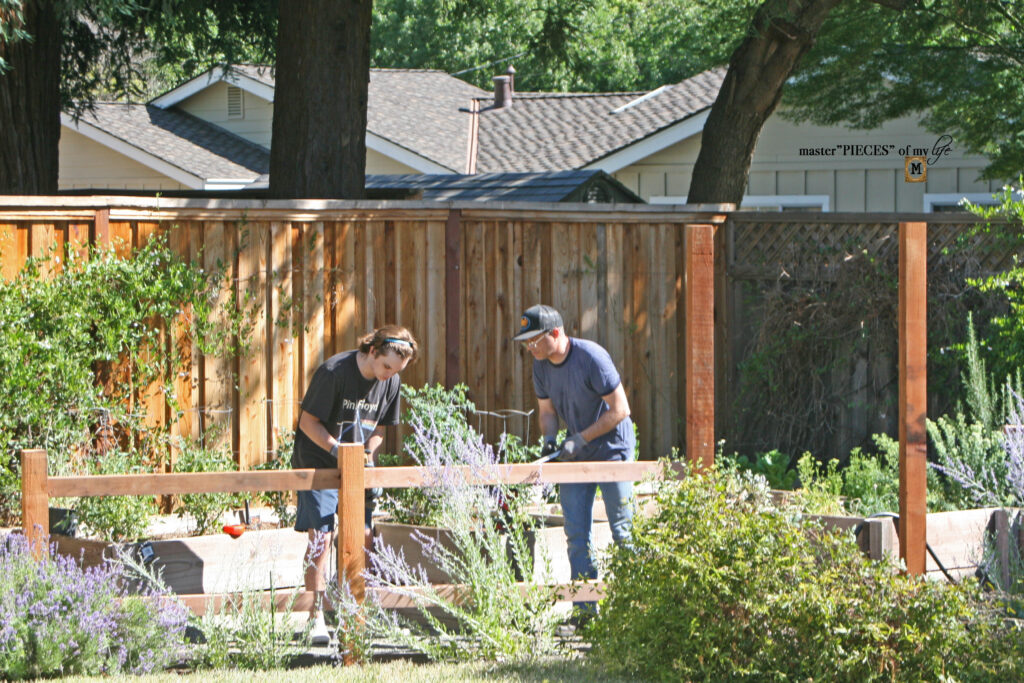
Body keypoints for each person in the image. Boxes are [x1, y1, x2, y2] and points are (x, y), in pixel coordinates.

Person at [291, 324, 418, 646]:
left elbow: (379, 429)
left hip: (358, 468)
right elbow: (307, 422)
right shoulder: (334, 372)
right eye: (386, 367)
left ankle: (356, 612)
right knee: (321, 537)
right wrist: (338, 451)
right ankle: (315, 617)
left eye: (396, 371)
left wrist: (365, 455)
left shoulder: (391, 382)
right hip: (318, 463)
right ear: (372, 351)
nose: (389, 375)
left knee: (362, 537)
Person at [513, 304, 634, 629]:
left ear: (555, 333)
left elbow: (621, 410)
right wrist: (550, 441)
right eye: (525, 342)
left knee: (622, 530)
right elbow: (547, 411)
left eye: (533, 340)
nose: (529, 347)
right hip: (575, 451)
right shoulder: (540, 365)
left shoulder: (591, 357)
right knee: (576, 534)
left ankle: (636, 609)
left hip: (612, 449)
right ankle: (585, 613)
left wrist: (580, 439)